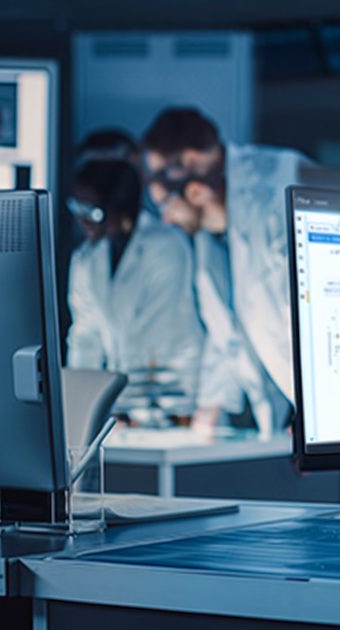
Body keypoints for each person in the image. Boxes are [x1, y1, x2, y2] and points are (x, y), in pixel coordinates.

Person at [141, 108, 305, 436]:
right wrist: (209, 409)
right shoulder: (212, 232)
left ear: (191, 170)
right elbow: (226, 334)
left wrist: (310, 420)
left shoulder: (275, 199)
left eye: (164, 200)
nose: (165, 219)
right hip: (286, 413)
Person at [66, 160, 204, 421]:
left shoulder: (166, 247)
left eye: (92, 210)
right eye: (78, 207)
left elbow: (156, 336)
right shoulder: (86, 257)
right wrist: (79, 407)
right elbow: (85, 336)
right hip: (123, 403)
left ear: (118, 208)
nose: (82, 218)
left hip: (172, 399)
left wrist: (125, 409)